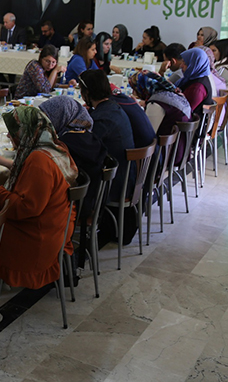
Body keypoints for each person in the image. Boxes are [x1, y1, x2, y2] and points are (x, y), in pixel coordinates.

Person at [0, 105, 78, 289]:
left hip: (39, 236)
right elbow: (35, 180)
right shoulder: (54, 147)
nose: (10, 137)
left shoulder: (38, 160)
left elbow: (25, 208)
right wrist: (5, 162)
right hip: (57, 224)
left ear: (25, 131)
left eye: (13, 132)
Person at [39, 96, 106, 270]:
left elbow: (45, 176)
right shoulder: (87, 136)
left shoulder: (64, 145)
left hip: (68, 211)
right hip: (89, 201)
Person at [80, 70, 134, 205]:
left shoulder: (101, 120)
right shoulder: (114, 107)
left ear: (87, 93)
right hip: (126, 176)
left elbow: (87, 151)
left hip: (113, 184)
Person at [128, 71, 191, 137]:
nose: (134, 93)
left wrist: (136, 111)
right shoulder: (172, 93)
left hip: (168, 145)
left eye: (134, 89)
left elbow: (147, 134)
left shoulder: (156, 102)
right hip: (181, 141)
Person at [175, 48, 215, 118]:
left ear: (195, 64)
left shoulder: (197, 88)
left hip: (190, 126)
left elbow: (184, 112)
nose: (181, 66)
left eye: (185, 63)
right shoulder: (193, 78)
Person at [0, 13, 27, 85]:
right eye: (4, 22)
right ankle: (4, 86)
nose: (4, 24)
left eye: (6, 22)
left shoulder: (21, 31)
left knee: (11, 68)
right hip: (3, 55)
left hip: (15, 57)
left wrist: (8, 45)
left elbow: (21, 44)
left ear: (13, 22)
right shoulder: (4, 30)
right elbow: (2, 41)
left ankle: (10, 86)